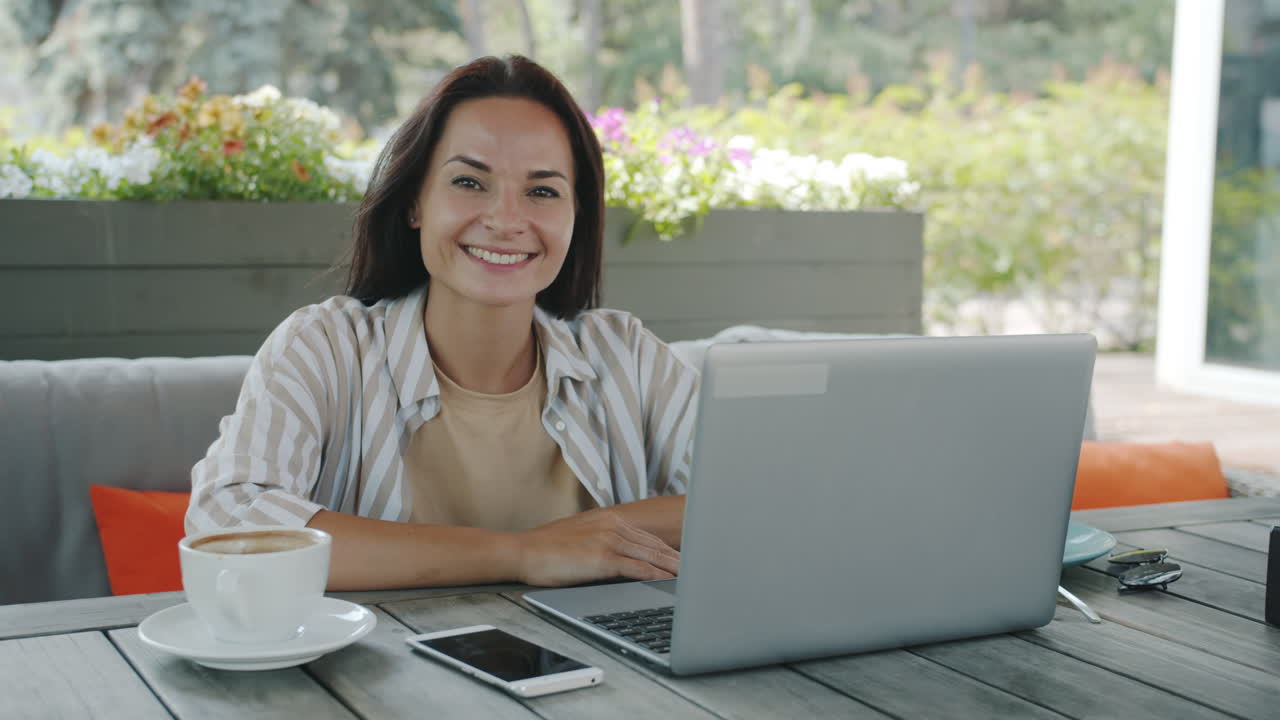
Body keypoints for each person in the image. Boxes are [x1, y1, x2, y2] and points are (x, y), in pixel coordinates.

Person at [186, 55, 699, 591]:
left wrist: (597, 533)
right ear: (415, 202)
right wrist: (525, 553)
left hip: (604, 673)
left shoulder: (626, 354)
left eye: (542, 191)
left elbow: (760, 494)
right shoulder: (325, 346)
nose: (505, 220)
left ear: (577, 216)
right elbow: (229, 525)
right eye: (469, 182)